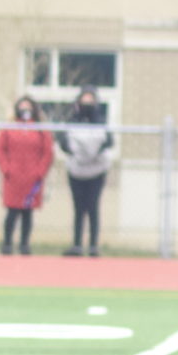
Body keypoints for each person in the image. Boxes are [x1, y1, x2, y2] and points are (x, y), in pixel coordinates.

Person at [55, 88, 113, 258]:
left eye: (90, 100)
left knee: (93, 207)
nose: (87, 104)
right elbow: (64, 142)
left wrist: (92, 151)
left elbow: (109, 142)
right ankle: (77, 244)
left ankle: (93, 245)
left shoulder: (102, 122)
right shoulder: (72, 120)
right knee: (79, 209)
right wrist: (75, 151)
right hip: (76, 172)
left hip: (96, 172)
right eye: (84, 100)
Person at [0, 95, 52, 255]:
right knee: (12, 212)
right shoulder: (9, 128)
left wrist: (40, 172)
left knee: (28, 212)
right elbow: (0, 150)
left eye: (28, 106)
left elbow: (47, 153)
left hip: (32, 178)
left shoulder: (40, 130)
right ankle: (7, 243)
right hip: (13, 177)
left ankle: (24, 244)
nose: (25, 110)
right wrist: (7, 169)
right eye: (22, 106)